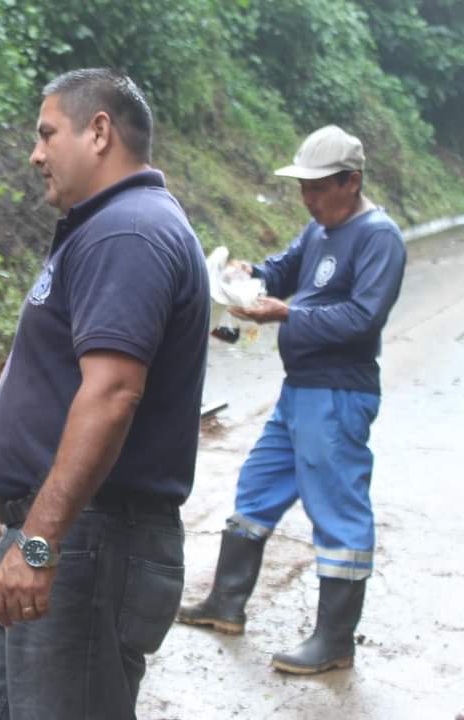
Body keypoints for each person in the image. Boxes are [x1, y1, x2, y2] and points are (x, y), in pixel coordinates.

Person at [0, 68, 209, 719]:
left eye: (45, 134)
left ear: (98, 132)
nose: (35, 154)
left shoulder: (128, 232)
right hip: (51, 537)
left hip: (85, 546)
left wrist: (37, 544)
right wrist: (20, 534)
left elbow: (113, 393)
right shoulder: (105, 228)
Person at [176, 125, 407, 675]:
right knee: (256, 488)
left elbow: (362, 318)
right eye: (303, 187)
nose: (307, 198)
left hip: (338, 394)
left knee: (338, 511)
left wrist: (285, 313)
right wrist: (249, 274)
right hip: (298, 390)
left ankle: (334, 641)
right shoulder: (320, 228)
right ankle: (226, 602)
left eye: (318, 188)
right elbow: (282, 266)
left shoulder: (379, 238)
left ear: (351, 182)